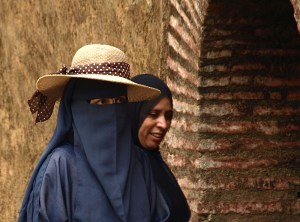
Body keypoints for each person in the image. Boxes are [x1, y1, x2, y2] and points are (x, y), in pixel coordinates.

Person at [18, 44, 170, 222]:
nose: (113, 112)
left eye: (119, 101)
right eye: (101, 102)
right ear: (76, 108)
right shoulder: (62, 167)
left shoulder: (140, 163)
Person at [130, 74, 191, 222]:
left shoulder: (154, 162)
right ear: (133, 113)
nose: (163, 124)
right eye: (153, 114)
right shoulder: (126, 168)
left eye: (168, 116)